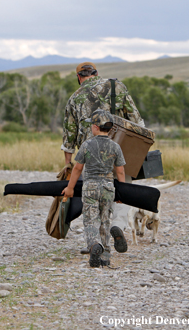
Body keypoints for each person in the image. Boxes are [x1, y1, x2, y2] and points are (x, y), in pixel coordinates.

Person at [61, 61, 145, 254]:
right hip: (119, 152)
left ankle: (96, 243)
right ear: (96, 73)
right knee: (123, 192)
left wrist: (67, 164)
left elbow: (69, 137)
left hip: (90, 159)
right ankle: (118, 225)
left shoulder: (74, 98)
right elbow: (138, 122)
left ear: (79, 77)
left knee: (93, 202)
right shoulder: (117, 87)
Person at [62, 110, 126, 267]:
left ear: (96, 127)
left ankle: (94, 245)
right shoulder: (115, 146)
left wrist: (70, 188)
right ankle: (105, 256)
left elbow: (77, 169)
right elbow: (120, 171)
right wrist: (122, 191)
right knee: (105, 220)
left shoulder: (87, 145)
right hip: (108, 188)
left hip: (90, 187)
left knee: (91, 220)